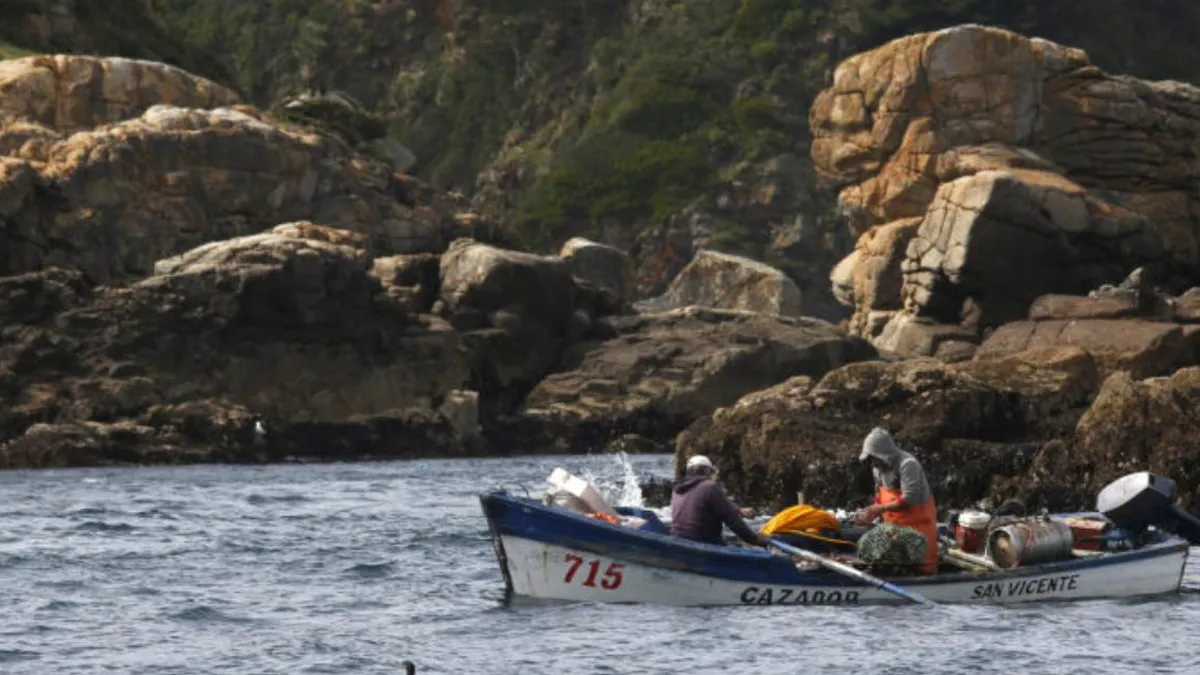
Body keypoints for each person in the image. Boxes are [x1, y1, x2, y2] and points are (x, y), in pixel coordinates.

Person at [854, 427, 939, 574]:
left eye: (873, 458)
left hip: (918, 527)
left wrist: (880, 509)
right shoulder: (877, 470)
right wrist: (870, 513)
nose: (872, 463)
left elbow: (911, 497)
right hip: (893, 530)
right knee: (892, 564)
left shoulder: (907, 464)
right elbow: (880, 498)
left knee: (920, 566)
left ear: (883, 454)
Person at [670, 455, 766, 547]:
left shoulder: (677, 489)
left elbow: (701, 503)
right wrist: (755, 540)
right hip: (703, 542)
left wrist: (738, 510)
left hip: (678, 539)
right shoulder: (709, 486)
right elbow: (733, 521)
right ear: (707, 470)